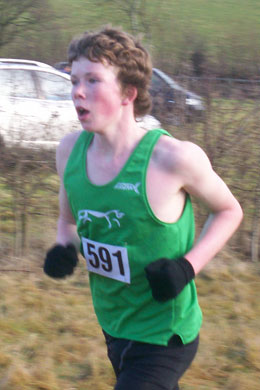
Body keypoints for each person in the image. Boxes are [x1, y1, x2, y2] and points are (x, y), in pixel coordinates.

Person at [43, 26, 243, 390]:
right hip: (113, 322)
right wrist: (63, 248)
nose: (77, 92)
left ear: (128, 93)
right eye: (73, 80)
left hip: (165, 331)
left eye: (92, 80)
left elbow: (229, 211)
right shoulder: (69, 152)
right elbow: (68, 222)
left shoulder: (173, 159)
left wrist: (186, 267)